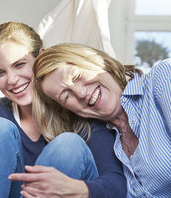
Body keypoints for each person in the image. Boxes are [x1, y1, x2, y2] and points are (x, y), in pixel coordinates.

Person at [0, 22, 126, 198]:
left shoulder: (80, 110)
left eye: (19, 65)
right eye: (0, 73)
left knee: (68, 144)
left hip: (73, 189)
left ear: (41, 58)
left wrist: (75, 189)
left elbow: (117, 184)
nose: (12, 80)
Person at [33, 43, 171, 198]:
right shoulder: (98, 139)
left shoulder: (163, 76)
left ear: (96, 61)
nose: (80, 93)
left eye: (77, 76)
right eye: (66, 96)